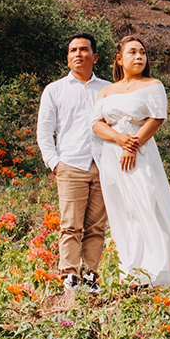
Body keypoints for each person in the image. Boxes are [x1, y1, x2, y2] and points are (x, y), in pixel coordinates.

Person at [91, 38, 170, 287]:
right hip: (112, 155)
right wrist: (119, 139)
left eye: (143, 52)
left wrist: (133, 145)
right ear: (119, 58)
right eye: (132, 52)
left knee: (147, 203)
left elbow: (157, 117)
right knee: (124, 210)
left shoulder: (153, 85)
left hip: (140, 154)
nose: (139, 57)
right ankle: (132, 272)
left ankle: (158, 268)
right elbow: (97, 124)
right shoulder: (106, 91)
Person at [36, 33, 111, 296]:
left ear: (95, 57)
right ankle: (69, 276)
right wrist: (55, 163)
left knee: (96, 226)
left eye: (84, 49)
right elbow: (44, 131)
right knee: (70, 225)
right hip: (70, 165)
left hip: (103, 165)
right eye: (72, 50)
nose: (78, 54)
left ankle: (91, 276)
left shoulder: (107, 89)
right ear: (67, 58)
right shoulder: (55, 89)